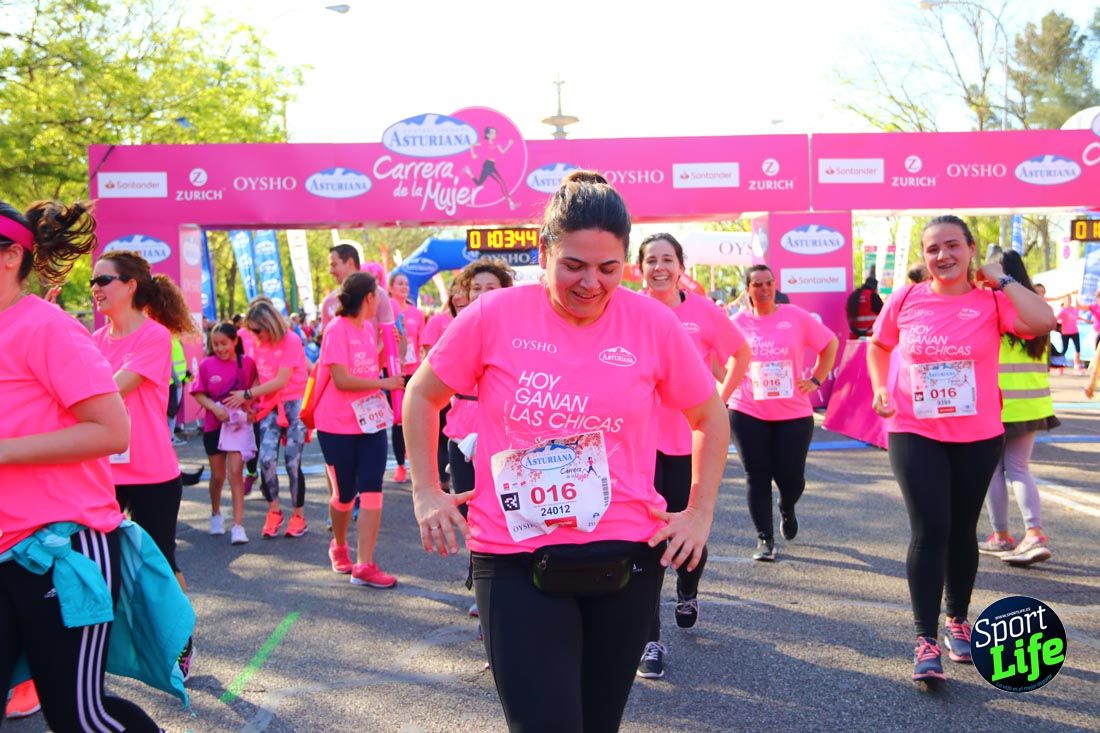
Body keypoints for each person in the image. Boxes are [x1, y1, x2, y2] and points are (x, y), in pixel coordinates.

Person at [403, 170, 730, 733]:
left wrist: (699, 512)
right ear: (544, 249)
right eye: (572, 265)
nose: (590, 283)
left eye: (608, 268)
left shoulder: (653, 322)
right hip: (513, 557)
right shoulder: (494, 315)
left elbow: (710, 417)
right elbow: (422, 395)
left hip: (626, 556)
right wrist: (426, 490)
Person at [867, 215, 1055, 685]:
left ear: (970, 250)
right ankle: (924, 639)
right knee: (930, 528)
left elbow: (1043, 320)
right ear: (924, 256)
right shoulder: (907, 298)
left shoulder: (991, 302)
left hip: (978, 435)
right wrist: (879, 386)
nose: (942, 255)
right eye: (933, 249)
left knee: (961, 531)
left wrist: (1004, 279)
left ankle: (957, 621)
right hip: (914, 431)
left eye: (952, 245)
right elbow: (878, 345)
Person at [1, 199, 162, 731]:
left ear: (9, 257)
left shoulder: (44, 327)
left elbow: (112, 431)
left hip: (62, 548)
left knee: (79, 717)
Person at [635, 233, 751, 679]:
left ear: (681, 265)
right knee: (644, 540)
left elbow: (741, 352)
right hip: (639, 446)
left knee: (687, 538)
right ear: (640, 267)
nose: (659, 267)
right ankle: (650, 639)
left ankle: (688, 587)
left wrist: (721, 398)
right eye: (651, 260)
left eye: (667, 259)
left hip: (689, 443)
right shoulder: (628, 309)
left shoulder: (703, 312)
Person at [91, 248, 199, 678]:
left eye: (104, 281)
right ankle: (99, 651)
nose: (96, 289)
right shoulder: (94, 341)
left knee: (162, 562)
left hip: (153, 472)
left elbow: (110, 389)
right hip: (102, 472)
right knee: (100, 565)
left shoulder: (155, 337)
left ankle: (181, 642)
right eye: (93, 282)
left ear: (130, 285)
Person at [726, 265, 838, 562]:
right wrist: (728, 384)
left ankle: (787, 507)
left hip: (793, 413)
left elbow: (830, 344)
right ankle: (764, 538)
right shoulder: (736, 323)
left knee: (791, 477)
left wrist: (816, 379)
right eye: (757, 284)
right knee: (757, 475)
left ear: (775, 285)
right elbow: (717, 358)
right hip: (748, 410)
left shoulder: (795, 316)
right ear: (747, 289)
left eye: (768, 283)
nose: (763, 289)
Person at [316, 272, 405, 588]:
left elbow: (368, 364)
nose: (381, 299)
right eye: (378, 294)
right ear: (369, 297)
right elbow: (341, 379)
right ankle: (338, 545)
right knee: (343, 495)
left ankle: (365, 563)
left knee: (372, 490)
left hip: (371, 423)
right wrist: (383, 383)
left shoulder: (368, 329)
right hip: (336, 425)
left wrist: (391, 347)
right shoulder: (335, 330)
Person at [977, 251, 1059, 567]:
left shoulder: (995, 306)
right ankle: (1034, 532)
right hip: (1034, 403)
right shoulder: (1034, 306)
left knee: (995, 471)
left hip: (999, 405)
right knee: (1019, 469)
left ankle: (1003, 535)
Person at [226, 298, 310, 539]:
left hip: (293, 405)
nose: (252, 334)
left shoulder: (291, 340)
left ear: (269, 324)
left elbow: (281, 380)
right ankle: (274, 511)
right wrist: (250, 401)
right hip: (269, 406)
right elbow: (260, 376)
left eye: (256, 329)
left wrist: (248, 394)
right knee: (266, 460)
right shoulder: (257, 341)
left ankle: (299, 515)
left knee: (293, 463)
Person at [190, 322, 258, 545]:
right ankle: (216, 513)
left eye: (224, 343)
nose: (220, 348)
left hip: (238, 426)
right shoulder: (207, 365)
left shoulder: (247, 363)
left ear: (235, 341)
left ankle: (238, 526)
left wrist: (251, 408)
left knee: (235, 474)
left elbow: (256, 389)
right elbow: (197, 393)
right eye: (215, 344)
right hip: (214, 426)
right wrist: (214, 408)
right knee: (218, 476)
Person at [388, 272, 424, 484]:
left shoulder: (416, 313)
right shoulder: (386, 310)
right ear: (391, 287)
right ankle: (400, 465)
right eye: (399, 283)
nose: (404, 286)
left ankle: (415, 464)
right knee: (398, 421)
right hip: (393, 371)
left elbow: (420, 343)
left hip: (414, 369)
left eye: (406, 284)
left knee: (414, 418)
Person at [1054, 295, 1083, 374]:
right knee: (1064, 349)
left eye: (1070, 299)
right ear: (1064, 301)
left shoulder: (1074, 309)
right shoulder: (1062, 310)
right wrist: (1056, 327)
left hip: (1075, 331)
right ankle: (1060, 365)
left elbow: (1078, 317)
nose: (1069, 300)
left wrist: (1088, 321)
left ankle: (1077, 366)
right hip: (1065, 332)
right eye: (1068, 299)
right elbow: (1055, 319)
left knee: (1078, 348)